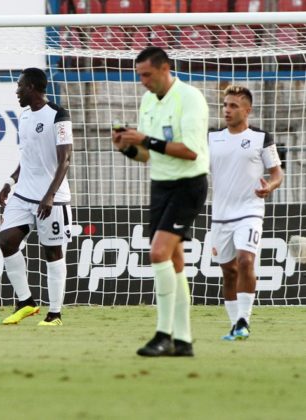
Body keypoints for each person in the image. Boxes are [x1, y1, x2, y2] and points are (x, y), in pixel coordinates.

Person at [112, 47, 209, 357]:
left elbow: (190, 151)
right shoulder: (147, 101)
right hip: (160, 186)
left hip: (188, 185)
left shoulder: (190, 98)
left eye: (147, 75)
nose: (143, 81)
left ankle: (163, 335)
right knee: (175, 261)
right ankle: (183, 341)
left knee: (157, 253)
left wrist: (144, 139)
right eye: (139, 75)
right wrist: (127, 147)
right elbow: (147, 156)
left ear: (165, 68)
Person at [0, 67, 73, 326]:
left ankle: (55, 314)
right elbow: (28, 156)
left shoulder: (59, 115)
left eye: (19, 86)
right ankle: (26, 302)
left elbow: (65, 159)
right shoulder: (25, 116)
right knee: (6, 242)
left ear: (31, 87)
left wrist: (49, 195)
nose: (17, 91)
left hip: (52, 199)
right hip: (23, 195)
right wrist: (10, 181)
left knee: (52, 253)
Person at [209, 85, 283, 341]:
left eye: (234, 106)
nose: (227, 110)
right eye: (225, 105)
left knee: (245, 261)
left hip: (250, 211)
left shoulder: (261, 138)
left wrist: (270, 186)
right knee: (228, 271)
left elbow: (277, 173)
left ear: (247, 110)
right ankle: (235, 325)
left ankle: (244, 320)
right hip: (220, 215)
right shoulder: (212, 138)